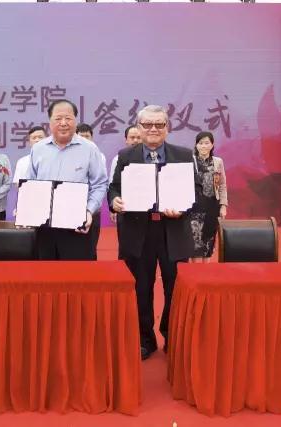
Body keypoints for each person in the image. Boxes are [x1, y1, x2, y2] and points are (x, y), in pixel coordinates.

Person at [109, 105, 195, 360]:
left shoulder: (183, 155)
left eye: (159, 124)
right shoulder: (126, 155)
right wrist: (114, 201)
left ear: (167, 128)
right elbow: (114, 188)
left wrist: (183, 208)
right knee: (140, 288)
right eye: (147, 124)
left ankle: (172, 335)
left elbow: (197, 191)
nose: (153, 129)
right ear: (139, 127)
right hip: (138, 232)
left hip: (172, 230)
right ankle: (144, 339)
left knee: (176, 287)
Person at [27, 99, 108, 260]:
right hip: (45, 226)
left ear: (75, 121)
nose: (63, 123)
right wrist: (27, 207)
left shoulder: (89, 148)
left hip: (77, 225)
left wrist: (88, 211)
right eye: (58, 118)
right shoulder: (38, 149)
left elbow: (99, 184)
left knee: (78, 272)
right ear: (49, 122)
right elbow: (31, 184)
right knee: (46, 271)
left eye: (68, 118)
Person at [190, 131, 228, 262]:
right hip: (194, 206)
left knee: (209, 238)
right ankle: (194, 269)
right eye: (201, 143)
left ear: (212, 145)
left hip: (212, 205)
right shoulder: (191, 161)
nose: (204, 146)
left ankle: (206, 269)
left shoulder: (218, 162)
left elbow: (222, 185)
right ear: (196, 145)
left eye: (207, 143)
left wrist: (223, 206)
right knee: (195, 239)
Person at [76, 123, 108, 259]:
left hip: (92, 207)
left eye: (87, 136)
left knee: (91, 245)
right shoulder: (71, 154)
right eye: (81, 136)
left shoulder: (98, 155)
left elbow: (101, 182)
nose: (84, 139)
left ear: (92, 137)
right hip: (73, 206)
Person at [110, 125, 142, 224]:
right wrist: (113, 204)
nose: (135, 140)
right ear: (126, 140)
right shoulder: (118, 158)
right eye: (132, 137)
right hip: (125, 208)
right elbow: (112, 184)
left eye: (139, 137)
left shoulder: (149, 158)